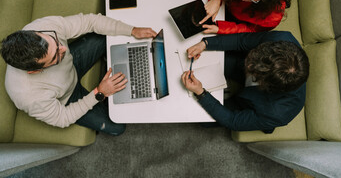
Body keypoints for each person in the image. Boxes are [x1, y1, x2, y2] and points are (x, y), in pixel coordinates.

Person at [0, 13, 157, 136]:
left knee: (104, 33)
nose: (63, 49)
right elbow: (63, 118)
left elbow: (90, 21)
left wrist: (132, 30)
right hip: (68, 97)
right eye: (55, 56)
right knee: (117, 127)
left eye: (56, 42)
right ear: (34, 71)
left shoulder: (43, 27)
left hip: (74, 63)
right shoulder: (29, 97)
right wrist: (99, 93)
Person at [181, 31, 309, 133]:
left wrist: (201, 93)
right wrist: (206, 44)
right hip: (240, 66)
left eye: (253, 72)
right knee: (207, 59)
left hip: (255, 105)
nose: (249, 67)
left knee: (203, 119)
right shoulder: (281, 38)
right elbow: (241, 40)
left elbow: (233, 121)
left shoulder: (277, 113)